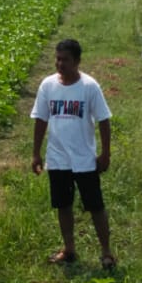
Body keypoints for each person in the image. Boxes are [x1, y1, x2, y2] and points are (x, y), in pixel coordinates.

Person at [31, 38, 116, 269]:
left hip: (84, 160)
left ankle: (106, 252)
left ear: (77, 61)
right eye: (58, 59)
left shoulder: (89, 87)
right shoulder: (48, 85)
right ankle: (69, 249)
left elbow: (103, 120)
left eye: (65, 60)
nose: (60, 64)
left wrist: (105, 154)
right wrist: (36, 153)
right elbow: (40, 119)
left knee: (96, 206)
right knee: (63, 205)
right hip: (58, 159)